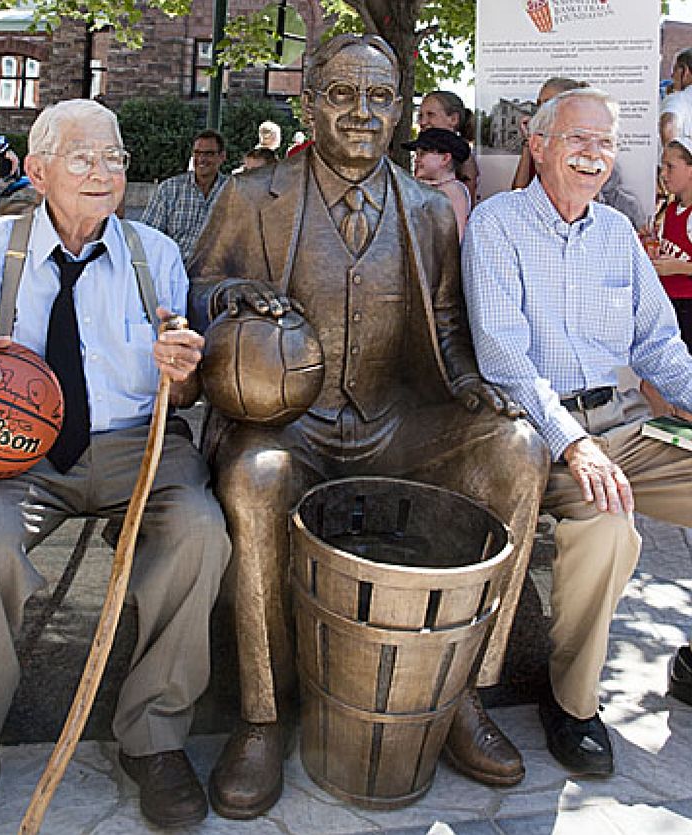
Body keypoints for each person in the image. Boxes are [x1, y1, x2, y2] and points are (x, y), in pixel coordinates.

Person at [189, 34, 550, 819]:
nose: (363, 112)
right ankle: (261, 715)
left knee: (519, 451)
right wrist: (233, 301)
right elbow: (199, 285)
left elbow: (449, 323)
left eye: (381, 98)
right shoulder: (254, 195)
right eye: (344, 94)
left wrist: (466, 383)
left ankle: (463, 693)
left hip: (391, 420)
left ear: (399, 110)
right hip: (290, 422)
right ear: (309, 103)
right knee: (255, 477)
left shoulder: (427, 209)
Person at [0, 99, 230, 834]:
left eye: (114, 158)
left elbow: (188, 383)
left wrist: (185, 370)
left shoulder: (155, 253)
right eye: (82, 158)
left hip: (138, 444)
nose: (104, 172)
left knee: (202, 530)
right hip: (17, 455)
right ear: (38, 171)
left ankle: (154, 739)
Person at [462, 87, 692, 778]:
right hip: (537, 437)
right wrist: (573, 440)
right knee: (611, 523)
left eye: (605, 143)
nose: (594, 155)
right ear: (538, 144)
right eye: (578, 139)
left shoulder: (618, 234)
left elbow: (660, 347)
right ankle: (573, 703)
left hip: (622, 423)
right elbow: (504, 358)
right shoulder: (497, 225)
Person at [141, 129, 228, 265]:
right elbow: (148, 236)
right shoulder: (170, 189)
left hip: (216, 273)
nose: (202, 159)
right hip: (173, 269)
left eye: (209, 154)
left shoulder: (231, 191)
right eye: (197, 153)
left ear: (222, 156)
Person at [651, 136, 692, 349]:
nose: (663, 175)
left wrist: (678, 267)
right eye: (662, 167)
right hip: (669, 303)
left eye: (670, 167)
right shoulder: (671, 209)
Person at [511, 77, 586, 190]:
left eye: (547, 103)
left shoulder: (584, 142)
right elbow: (518, 191)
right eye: (539, 103)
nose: (541, 109)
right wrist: (528, 140)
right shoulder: (540, 140)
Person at [403, 126, 472, 238]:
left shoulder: (452, 191)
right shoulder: (435, 188)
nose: (416, 159)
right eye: (416, 154)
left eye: (423, 154)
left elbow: (454, 238)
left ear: (445, 158)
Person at [418, 90, 478, 205]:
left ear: (453, 119)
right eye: (420, 116)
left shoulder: (463, 158)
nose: (423, 122)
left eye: (431, 115)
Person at [660, 47, 692, 146]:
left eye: (675, 69)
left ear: (685, 71)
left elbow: (668, 127)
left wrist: (673, 157)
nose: (672, 75)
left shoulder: (679, 99)